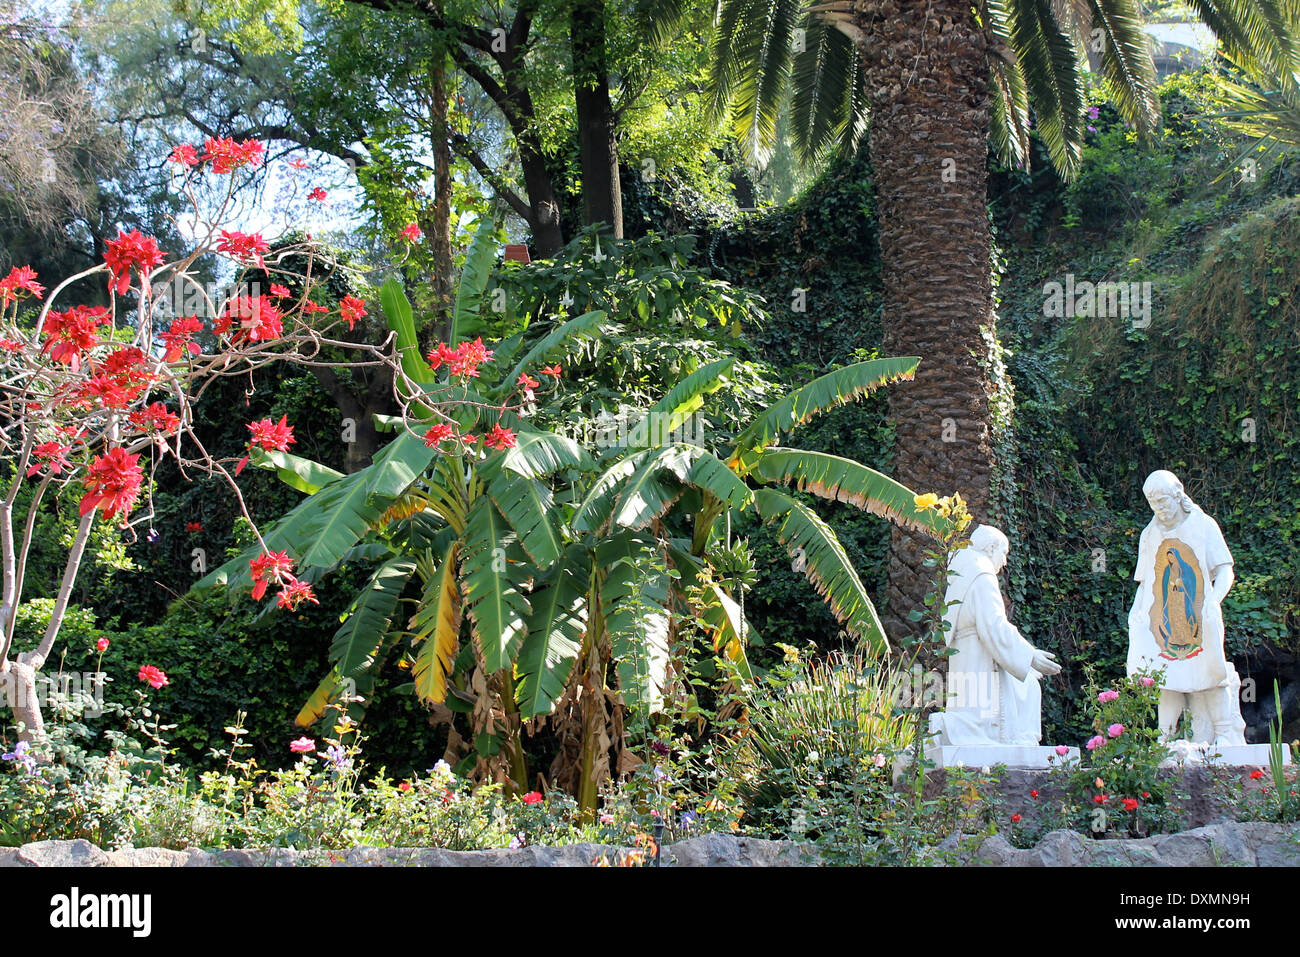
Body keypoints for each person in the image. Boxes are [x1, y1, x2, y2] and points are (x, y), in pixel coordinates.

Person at [1127, 470, 1246, 745]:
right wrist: (1137, 612)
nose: (1160, 510)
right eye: (1154, 505)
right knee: (1166, 676)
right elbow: (1146, 582)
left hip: (1199, 615)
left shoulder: (1204, 525)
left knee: (1211, 670)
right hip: (1165, 619)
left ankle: (1225, 732)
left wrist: (1213, 602)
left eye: (1164, 502)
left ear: (1178, 495)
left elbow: (1225, 571)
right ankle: (1164, 739)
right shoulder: (1149, 534)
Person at [930, 524, 1061, 747]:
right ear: (990, 548)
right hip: (982, 661)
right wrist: (1030, 656)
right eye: (1004, 553)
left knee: (1025, 683)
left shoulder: (962, 573)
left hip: (968, 657)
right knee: (1029, 684)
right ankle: (1021, 741)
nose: (1005, 561)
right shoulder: (981, 574)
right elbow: (994, 626)